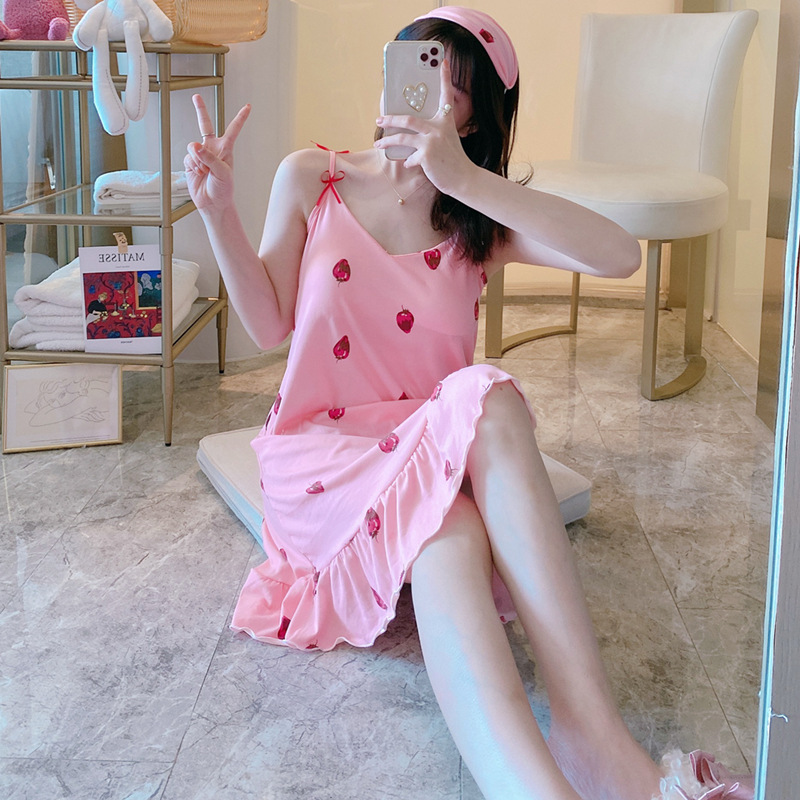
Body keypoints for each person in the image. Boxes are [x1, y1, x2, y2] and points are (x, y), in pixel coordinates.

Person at [184, 8, 753, 800]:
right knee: (484, 396)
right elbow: (267, 321)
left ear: (474, 117)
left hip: (425, 454)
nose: (425, 95)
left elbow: (620, 255)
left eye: (451, 88)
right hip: (320, 456)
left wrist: (465, 181)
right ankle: (599, 748)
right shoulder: (314, 177)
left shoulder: (478, 218)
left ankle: (573, 761)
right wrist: (217, 212)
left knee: (453, 524)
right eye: (417, 66)